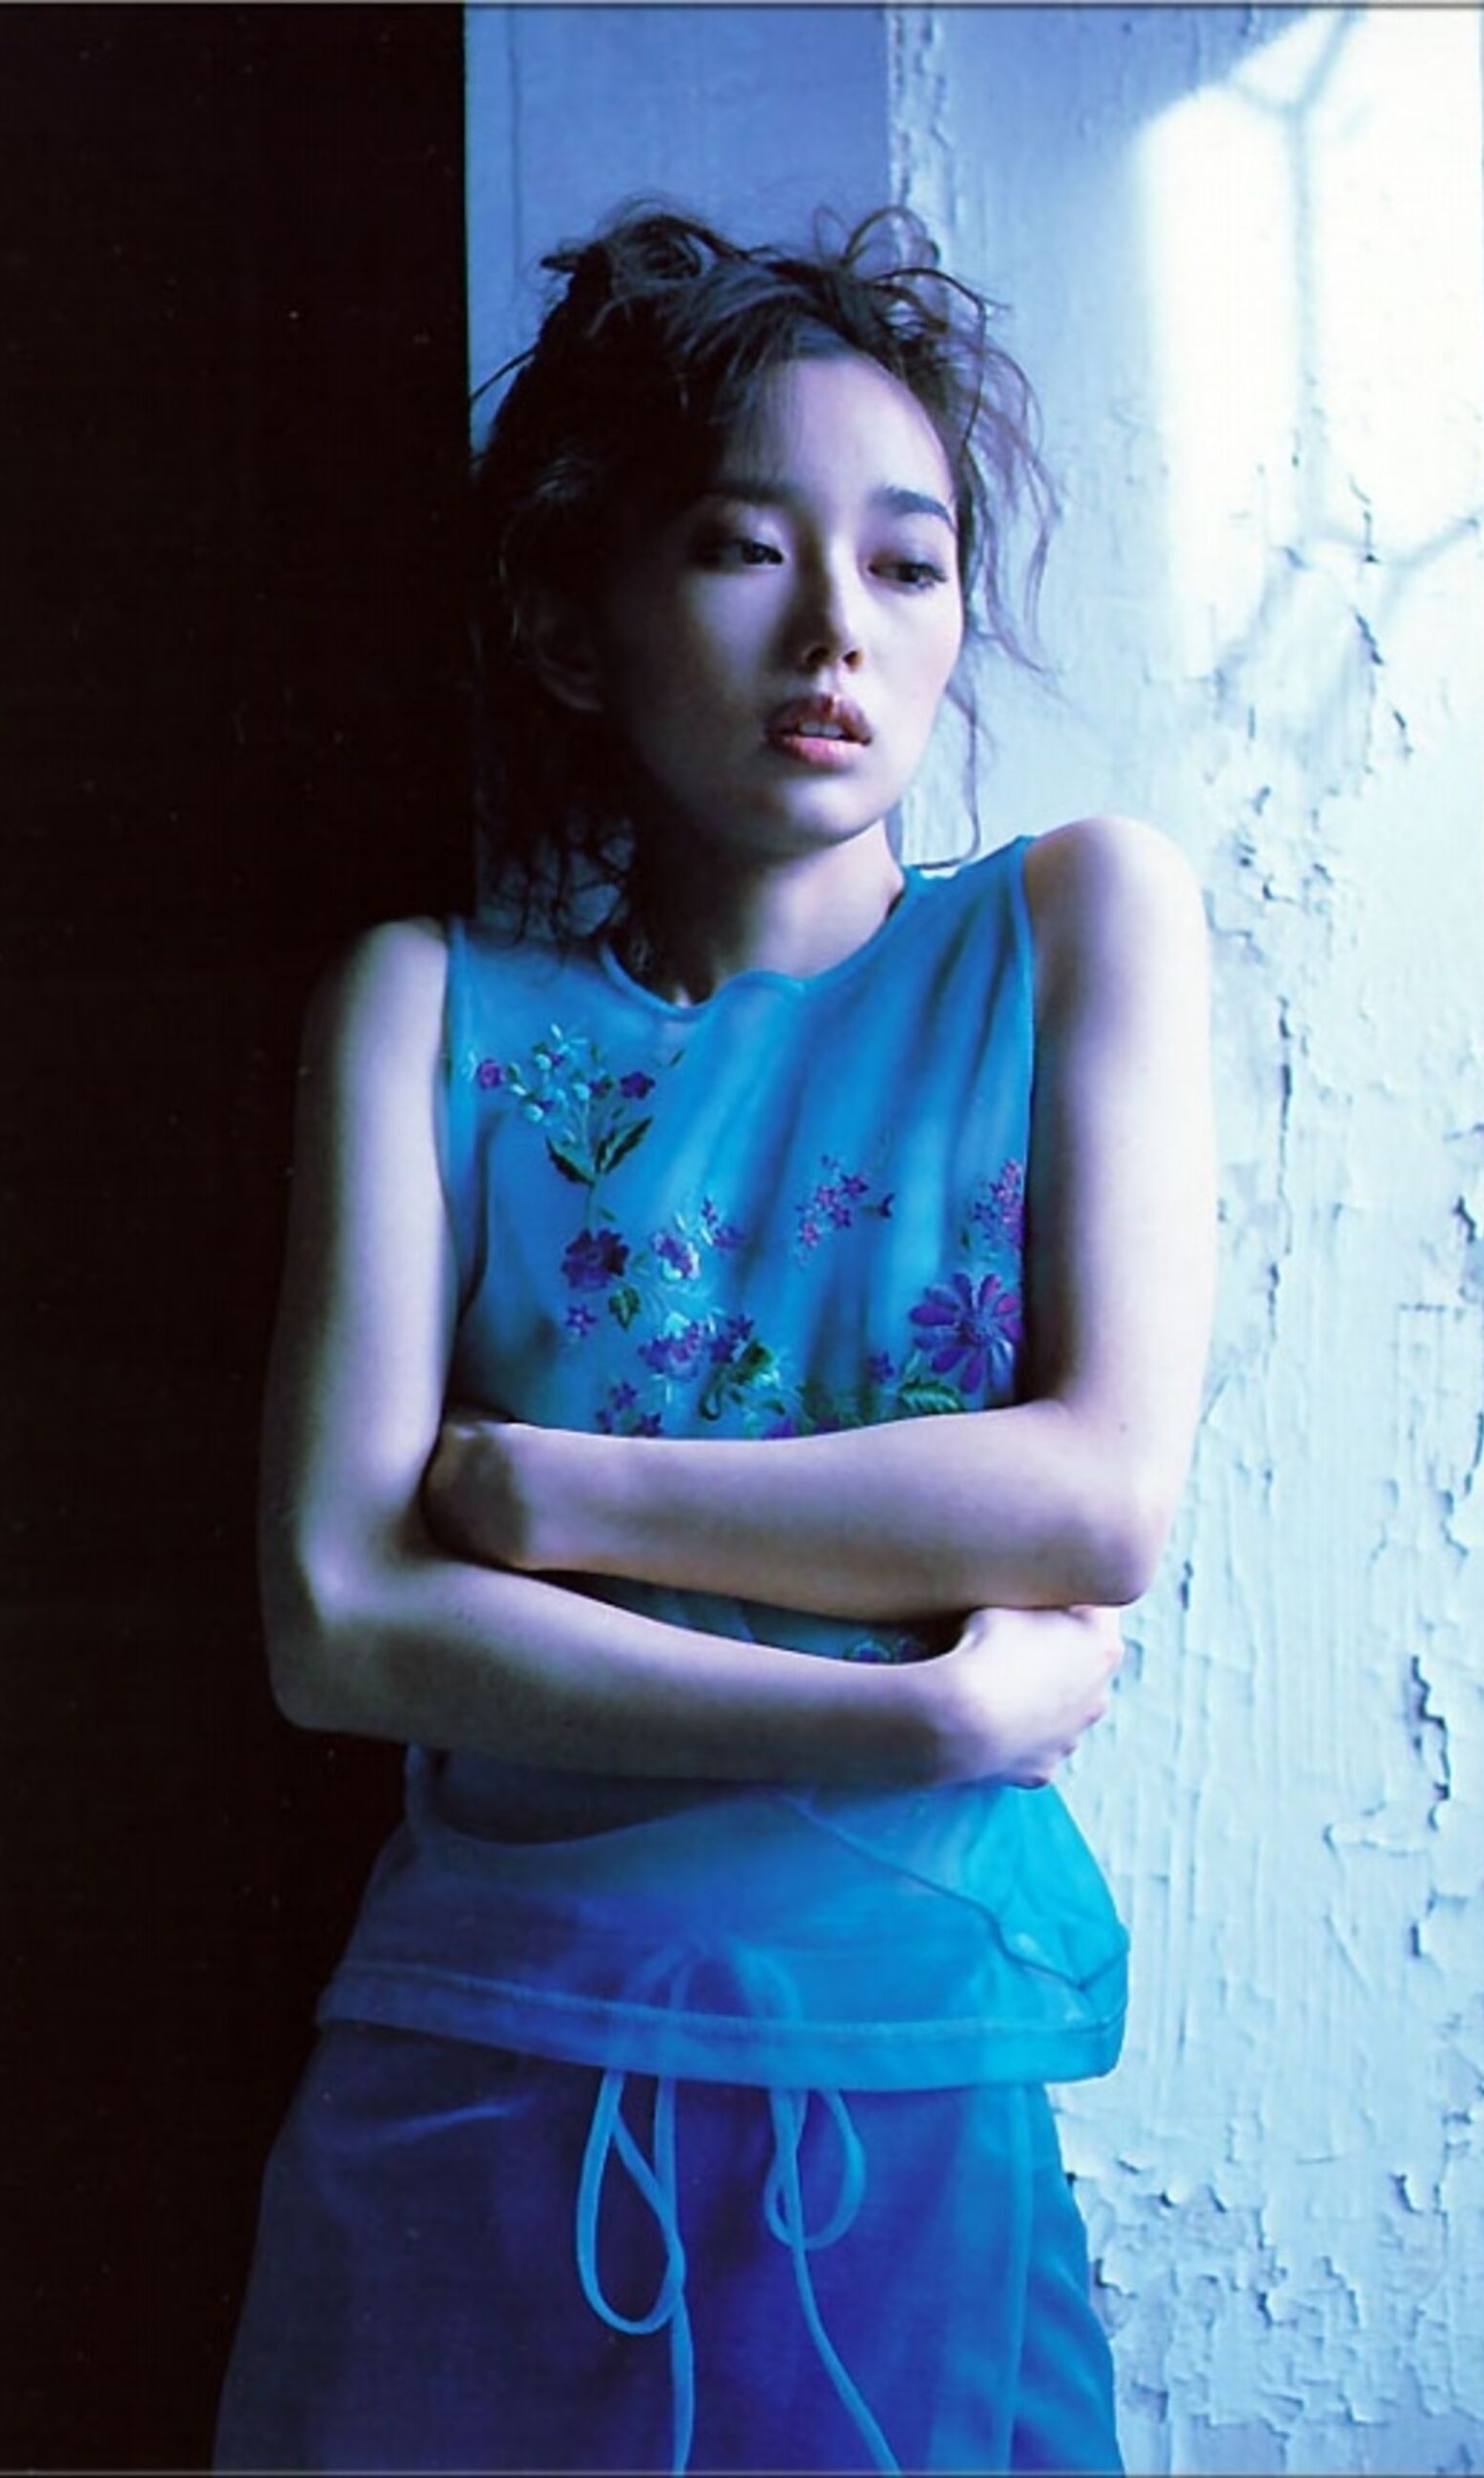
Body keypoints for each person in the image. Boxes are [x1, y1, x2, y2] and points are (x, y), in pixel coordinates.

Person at [214, 204, 1214, 2476]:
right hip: (475, 2059)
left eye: (910, 563)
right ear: (575, 626)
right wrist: (916, 1714)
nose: (838, 629)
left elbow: (1094, 1498)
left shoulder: (1071, 923)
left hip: (908, 2076)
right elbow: (339, 1625)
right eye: (747, 550)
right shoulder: (425, 1009)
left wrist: (552, 1489)